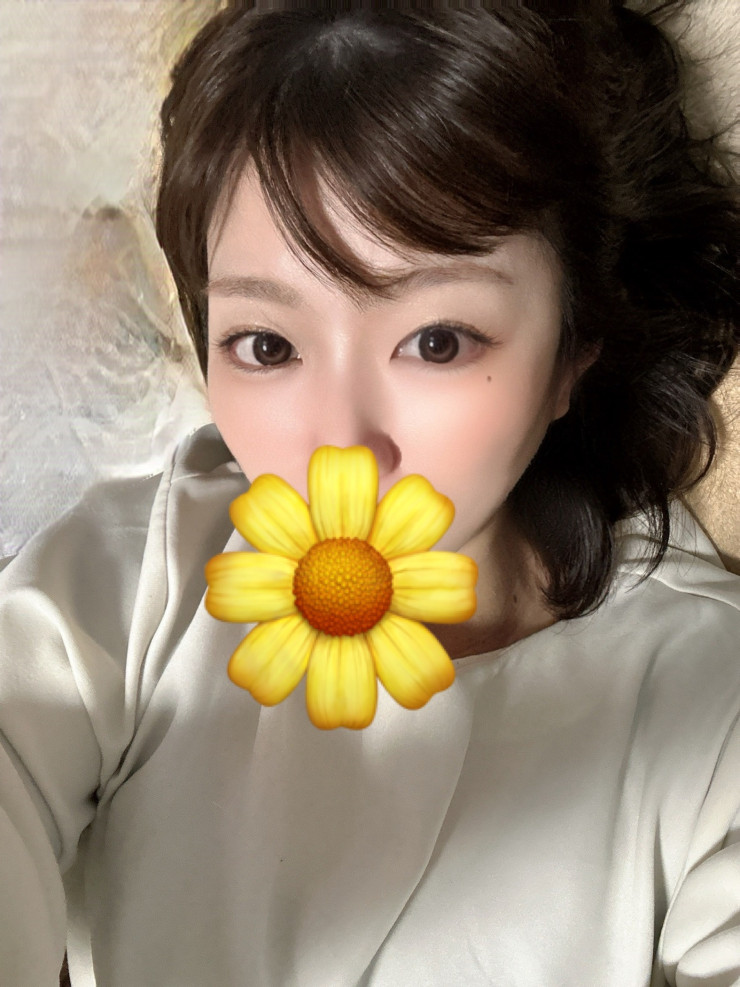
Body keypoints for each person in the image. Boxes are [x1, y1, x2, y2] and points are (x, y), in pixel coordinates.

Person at [1, 1, 739, 984]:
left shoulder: (708, 701)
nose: (340, 443)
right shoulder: (129, 586)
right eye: (268, 345)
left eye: (436, 341)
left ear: (573, 349)